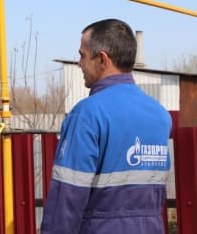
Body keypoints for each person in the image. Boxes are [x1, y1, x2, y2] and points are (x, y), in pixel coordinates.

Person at [41, 19, 172, 234]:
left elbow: (66, 200)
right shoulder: (159, 115)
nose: (79, 64)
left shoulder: (87, 114)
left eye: (82, 55)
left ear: (102, 59)